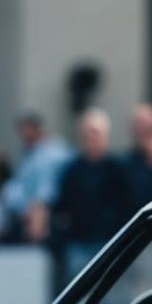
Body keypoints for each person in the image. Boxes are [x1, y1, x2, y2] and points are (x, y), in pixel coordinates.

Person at [53, 107, 133, 281]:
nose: (91, 138)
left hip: (111, 243)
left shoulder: (118, 168)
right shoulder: (72, 170)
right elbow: (63, 204)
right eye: (87, 134)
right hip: (79, 241)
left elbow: (126, 203)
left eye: (95, 133)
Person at [0, 110, 71, 243]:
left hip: (50, 214)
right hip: (28, 214)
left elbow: (48, 189)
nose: (23, 135)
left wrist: (38, 209)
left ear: (36, 128)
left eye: (26, 129)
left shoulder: (56, 152)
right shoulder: (27, 155)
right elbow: (20, 186)